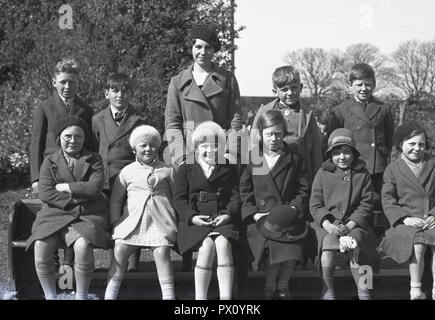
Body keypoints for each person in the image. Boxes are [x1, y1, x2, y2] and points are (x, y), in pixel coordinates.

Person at [165, 25, 242, 271]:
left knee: (221, 203)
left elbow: (235, 119)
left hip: (218, 153)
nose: (203, 52)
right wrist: (180, 155)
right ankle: (190, 261)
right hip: (190, 153)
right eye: (198, 46)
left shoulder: (227, 78)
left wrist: (229, 151)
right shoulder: (178, 81)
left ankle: (225, 263)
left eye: (208, 47)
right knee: (190, 203)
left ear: (214, 50)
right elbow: (172, 122)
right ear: (191, 48)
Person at [25, 116, 111, 300]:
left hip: (86, 215)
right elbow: (46, 192)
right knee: (41, 246)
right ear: (59, 138)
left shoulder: (94, 159)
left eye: (78, 136)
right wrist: (76, 199)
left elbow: (95, 187)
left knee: (82, 246)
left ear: (84, 138)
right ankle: (50, 296)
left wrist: (67, 188)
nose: (73, 141)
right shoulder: (49, 161)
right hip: (55, 215)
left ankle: (81, 296)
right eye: (68, 136)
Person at [240, 109, 316, 300]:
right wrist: (254, 213)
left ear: (284, 133)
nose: (273, 138)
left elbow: (303, 189)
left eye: (278, 134)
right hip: (261, 218)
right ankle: (269, 287)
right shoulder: (252, 157)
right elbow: (244, 191)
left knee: (291, 249)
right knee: (272, 249)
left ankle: (282, 286)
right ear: (261, 133)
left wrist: (293, 208)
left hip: (288, 215)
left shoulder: (294, 157)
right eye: (269, 134)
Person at [30, 58, 94, 274]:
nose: (68, 87)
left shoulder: (85, 109)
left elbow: (91, 145)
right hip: (51, 170)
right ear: (54, 82)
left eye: (73, 83)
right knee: (53, 213)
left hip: (76, 170)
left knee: (74, 212)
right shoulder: (45, 107)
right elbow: (35, 143)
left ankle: (69, 262)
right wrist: (36, 179)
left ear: (78, 83)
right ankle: (53, 262)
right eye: (64, 82)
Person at [105, 125, 177, 300]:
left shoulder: (167, 170)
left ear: (158, 148)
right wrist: (116, 222)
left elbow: (177, 197)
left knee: (161, 252)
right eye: (143, 145)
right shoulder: (127, 172)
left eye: (152, 145)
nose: (148, 149)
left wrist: (177, 219)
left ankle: (169, 295)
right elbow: (115, 200)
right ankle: (110, 294)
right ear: (134, 149)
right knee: (120, 250)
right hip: (132, 222)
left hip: (160, 222)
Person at [173, 121, 241, 300]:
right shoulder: (185, 169)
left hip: (222, 218)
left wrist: (227, 215)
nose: (210, 151)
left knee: (223, 245)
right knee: (206, 248)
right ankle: (200, 298)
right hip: (196, 220)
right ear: (196, 148)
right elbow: (179, 199)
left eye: (216, 146)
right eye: (205, 146)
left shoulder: (229, 168)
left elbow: (235, 197)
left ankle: (226, 299)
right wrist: (192, 217)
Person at [310, 128, 380, 300]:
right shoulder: (323, 173)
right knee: (327, 249)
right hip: (328, 225)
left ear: (354, 154)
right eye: (337, 152)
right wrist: (327, 224)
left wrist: (350, 225)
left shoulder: (362, 174)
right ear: (330, 155)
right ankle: (328, 291)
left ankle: (364, 291)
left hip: (354, 224)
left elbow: (366, 204)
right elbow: (315, 204)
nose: (342, 157)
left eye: (347, 152)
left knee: (358, 247)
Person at [92, 72, 146, 272]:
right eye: (115, 90)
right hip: (105, 180)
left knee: (131, 218)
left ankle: (133, 266)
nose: (120, 95)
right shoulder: (97, 120)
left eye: (125, 91)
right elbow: (93, 148)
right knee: (111, 220)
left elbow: (143, 150)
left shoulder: (138, 120)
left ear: (130, 94)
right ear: (107, 93)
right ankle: (114, 265)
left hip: (130, 180)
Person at [328, 63, 394, 218]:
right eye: (359, 85)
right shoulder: (341, 110)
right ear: (350, 85)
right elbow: (331, 141)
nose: (364, 89)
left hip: (378, 167)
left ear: (374, 85)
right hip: (353, 165)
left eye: (368, 85)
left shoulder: (383, 108)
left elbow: (391, 139)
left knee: (379, 204)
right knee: (355, 203)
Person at [381, 122, 435, 300]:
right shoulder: (393, 168)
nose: (417, 148)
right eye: (411, 144)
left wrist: (434, 215)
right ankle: (416, 289)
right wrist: (404, 219)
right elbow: (388, 199)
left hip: (430, 218)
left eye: (421, 144)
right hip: (405, 222)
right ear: (400, 145)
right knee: (417, 242)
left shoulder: (432, 164)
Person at [250, 65, 323, 184]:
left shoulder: (308, 115)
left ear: (301, 88)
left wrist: (317, 182)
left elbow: (316, 152)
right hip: (270, 172)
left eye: (294, 88)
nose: (290, 93)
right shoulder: (264, 111)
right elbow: (253, 144)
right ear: (275, 91)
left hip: (298, 174)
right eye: (284, 90)